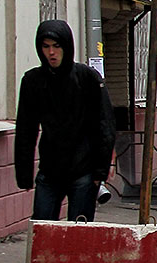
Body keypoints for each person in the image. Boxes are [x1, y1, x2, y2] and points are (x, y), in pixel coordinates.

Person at [15, 21, 116, 221]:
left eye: (56, 46)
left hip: (83, 171)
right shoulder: (33, 81)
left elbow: (104, 125)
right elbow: (26, 129)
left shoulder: (86, 78)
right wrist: (24, 173)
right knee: (42, 230)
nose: (51, 52)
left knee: (78, 234)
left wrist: (100, 172)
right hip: (50, 170)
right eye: (46, 46)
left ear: (67, 46)